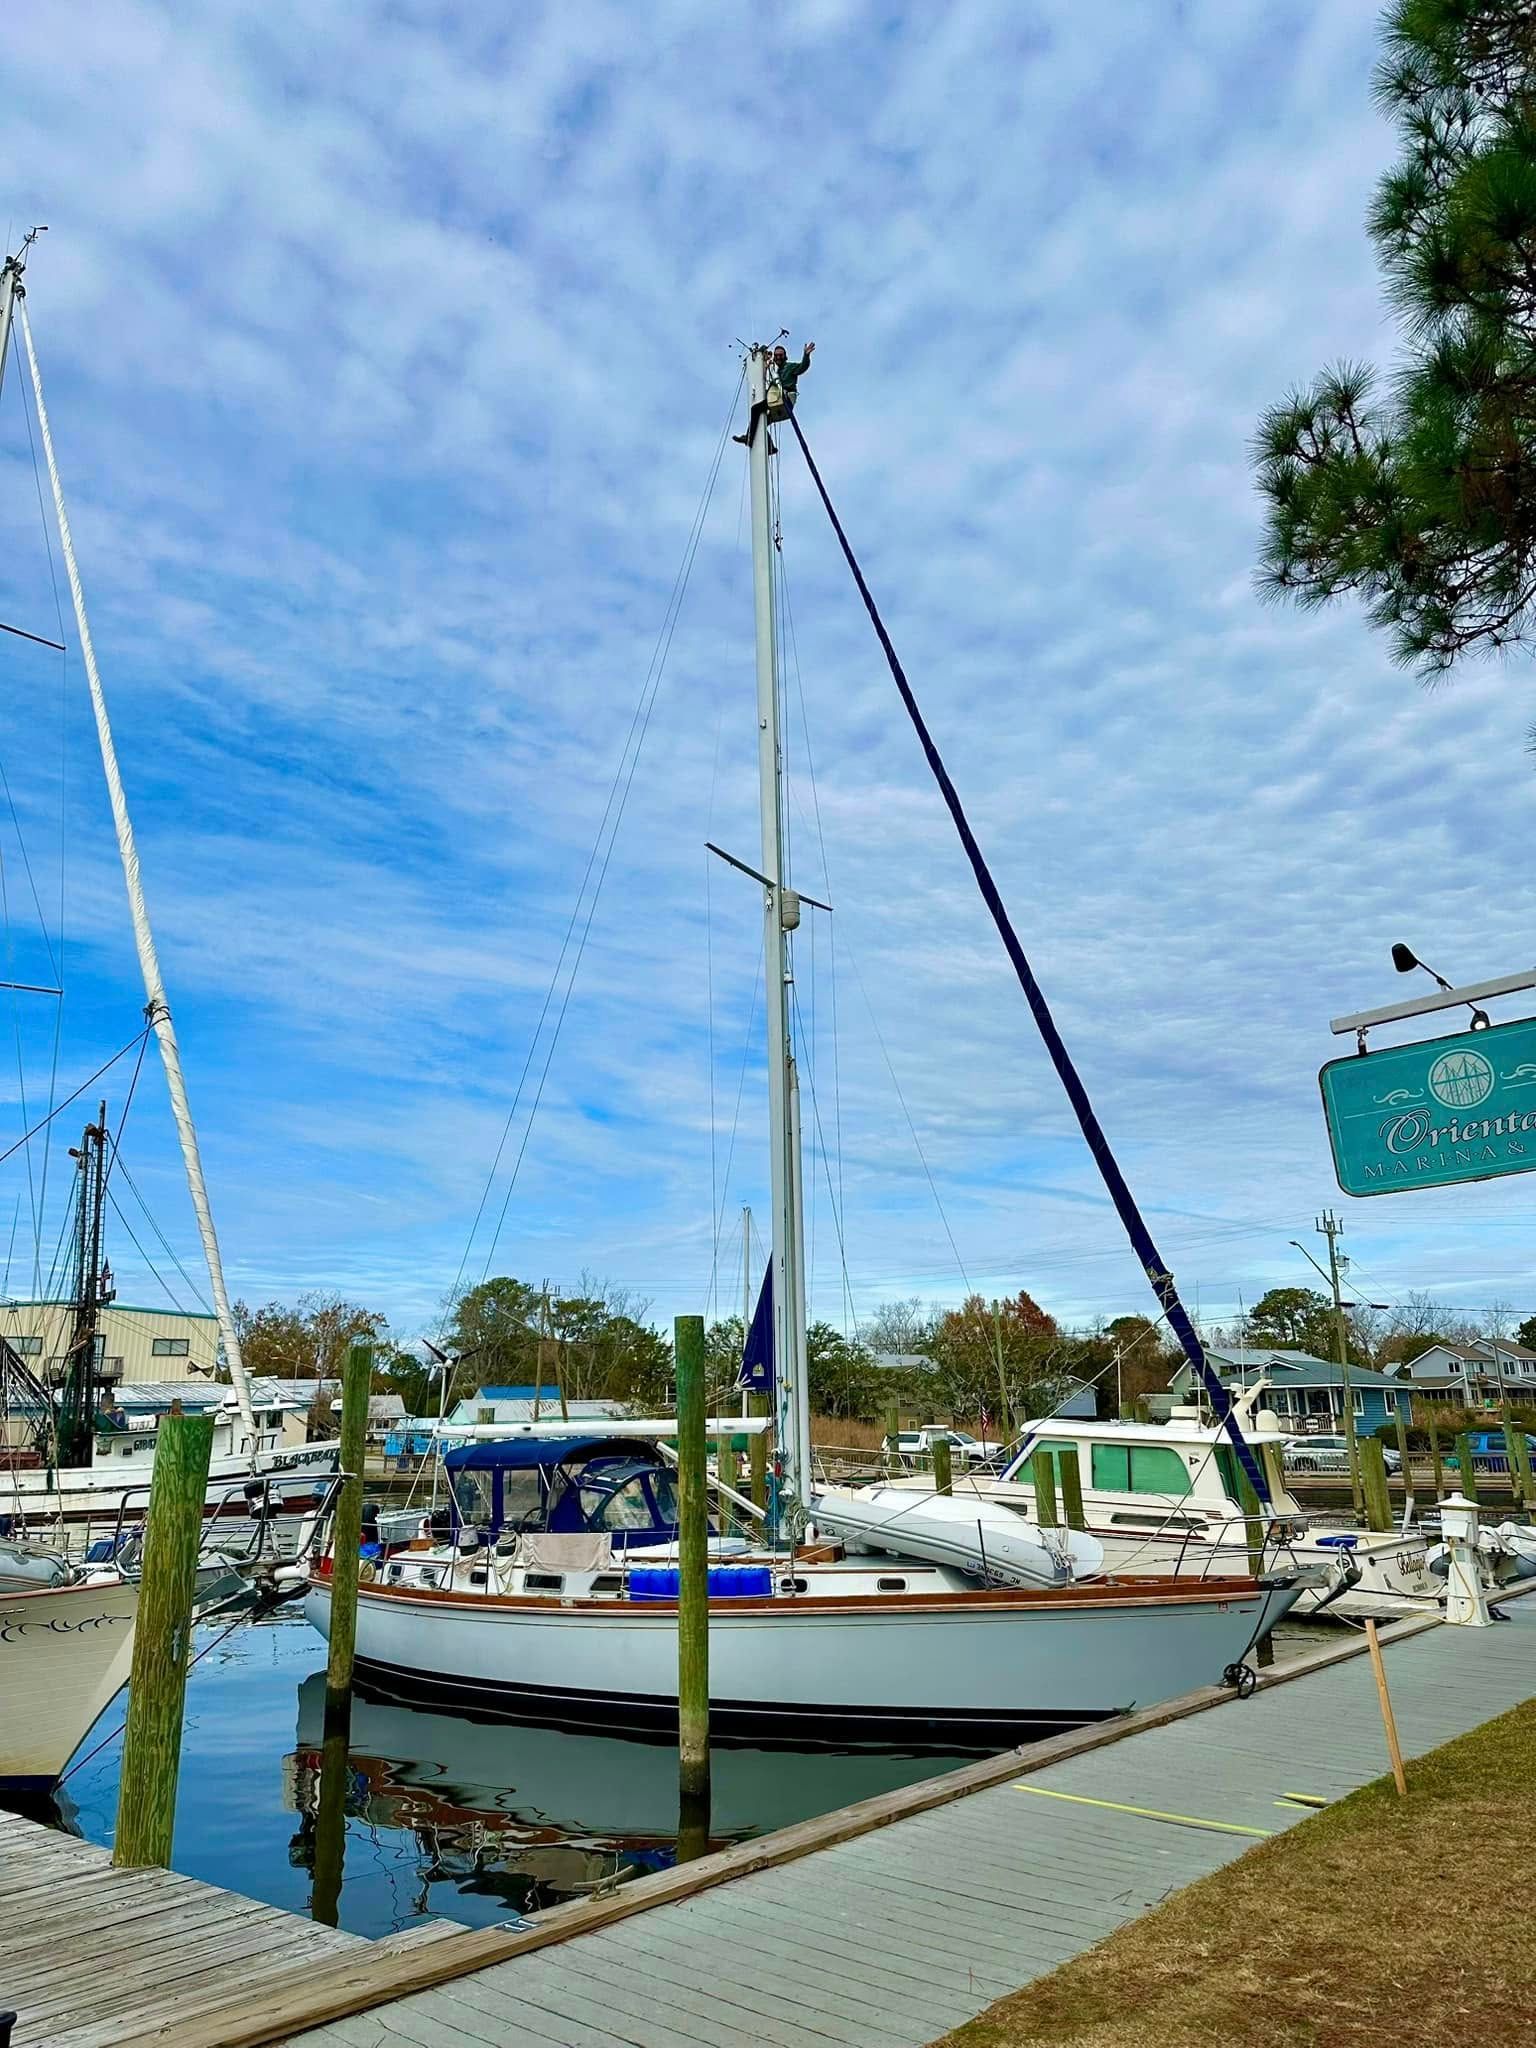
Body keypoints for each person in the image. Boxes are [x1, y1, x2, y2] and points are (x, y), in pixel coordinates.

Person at [735, 340, 815, 449]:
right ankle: (770, 446)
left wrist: (806, 355)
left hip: (784, 398)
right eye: (776, 355)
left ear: (785, 356)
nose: (778, 357)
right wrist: (765, 366)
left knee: (756, 409)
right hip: (777, 401)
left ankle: (749, 437)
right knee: (762, 421)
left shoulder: (790, 367)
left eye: (780, 355)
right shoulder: (776, 373)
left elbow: (802, 367)